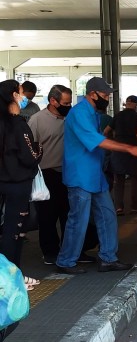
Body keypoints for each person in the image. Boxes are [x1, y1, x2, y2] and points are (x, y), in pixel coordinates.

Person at [56, 78, 137, 275]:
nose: (107, 99)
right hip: (80, 176)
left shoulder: (93, 113)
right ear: (92, 94)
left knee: (107, 215)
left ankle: (108, 258)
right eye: (105, 95)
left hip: (94, 176)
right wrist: (131, 148)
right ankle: (66, 260)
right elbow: (98, 141)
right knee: (78, 220)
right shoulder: (79, 113)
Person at [28, 84, 98, 265]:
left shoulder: (72, 118)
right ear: (53, 101)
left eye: (70, 102)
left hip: (70, 173)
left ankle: (75, 251)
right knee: (47, 217)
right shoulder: (37, 120)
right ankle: (50, 252)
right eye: (65, 103)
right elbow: (30, 149)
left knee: (70, 215)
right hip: (47, 174)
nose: (69, 106)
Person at [0, 80, 43, 290]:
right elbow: (30, 156)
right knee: (13, 232)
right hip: (17, 184)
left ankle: (9, 276)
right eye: (20, 92)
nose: (23, 96)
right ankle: (11, 279)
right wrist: (39, 148)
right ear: (13, 96)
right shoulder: (18, 124)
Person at [104, 95, 137, 215]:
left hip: (118, 150)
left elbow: (105, 131)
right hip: (133, 150)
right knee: (135, 179)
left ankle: (119, 207)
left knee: (119, 180)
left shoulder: (117, 116)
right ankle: (135, 207)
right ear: (134, 105)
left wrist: (112, 142)